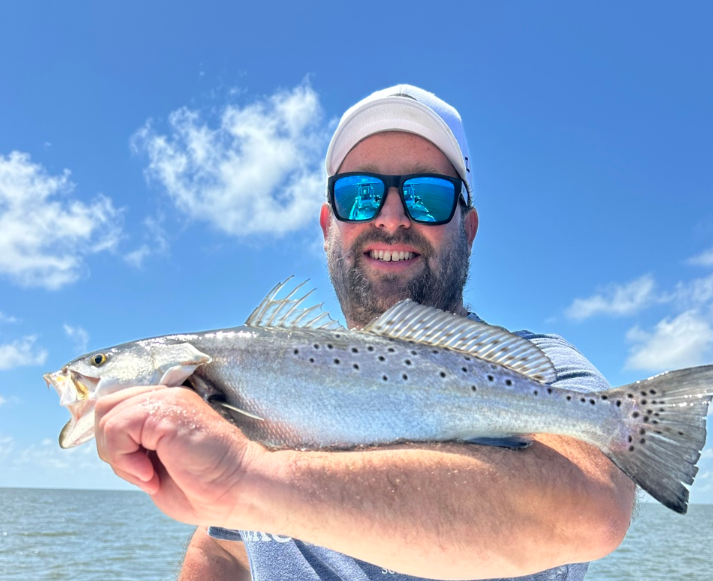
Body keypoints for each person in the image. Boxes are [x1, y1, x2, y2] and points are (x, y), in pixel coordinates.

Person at [94, 85, 635, 581]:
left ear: (467, 229)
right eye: (359, 194)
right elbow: (222, 551)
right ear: (328, 228)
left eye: (428, 196)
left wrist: (247, 478)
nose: (391, 217)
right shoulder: (241, 381)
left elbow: (592, 513)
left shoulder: (543, 366)